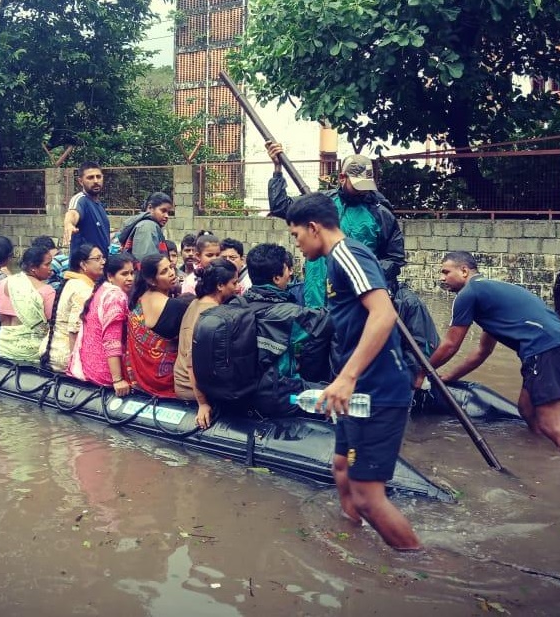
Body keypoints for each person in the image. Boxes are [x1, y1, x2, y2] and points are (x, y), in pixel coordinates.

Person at [286, 192, 420, 551]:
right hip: (355, 389)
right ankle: (354, 541)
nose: (296, 246)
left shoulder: (349, 253)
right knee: (342, 469)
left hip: (378, 389)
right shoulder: (332, 261)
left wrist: (347, 377)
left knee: (367, 496)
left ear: (313, 228)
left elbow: (384, 313)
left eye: (296, 235)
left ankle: (423, 564)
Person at [420, 251, 560, 455]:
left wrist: (422, 373)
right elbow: (482, 352)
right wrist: (448, 377)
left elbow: (450, 345)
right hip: (556, 346)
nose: (441, 278)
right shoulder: (489, 293)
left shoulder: (468, 294)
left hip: (544, 349)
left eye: (446, 272)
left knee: (552, 425)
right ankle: (542, 454)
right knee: (526, 410)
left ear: (464, 271)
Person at [266, 143, 405, 307]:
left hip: (355, 302)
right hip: (316, 298)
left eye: (366, 184)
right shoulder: (322, 203)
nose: (363, 190)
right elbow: (280, 207)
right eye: (357, 185)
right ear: (342, 178)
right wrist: (277, 170)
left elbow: (395, 259)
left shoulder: (381, 214)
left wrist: (366, 273)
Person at [243, 243, 334, 415]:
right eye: (287, 269)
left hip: (249, 389)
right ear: (277, 277)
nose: (290, 273)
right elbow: (330, 322)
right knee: (339, 399)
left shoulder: (239, 303)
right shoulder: (288, 315)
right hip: (280, 393)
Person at [174, 259, 241, 428]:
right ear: (220, 286)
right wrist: (203, 403)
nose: (238, 287)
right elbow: (191, 364)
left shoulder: (197, 302)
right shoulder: (208, 314)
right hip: (191, 388)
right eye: (234, 283)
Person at [69, 252, 138, 396]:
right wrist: (118, 380)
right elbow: (111, 341)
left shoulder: (102, 289)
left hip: (88, 366)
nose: (130, 278)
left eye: (132, 273)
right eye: (124, 274)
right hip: (104, 373)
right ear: (110, 276)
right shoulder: (116, 296)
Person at [126, 252, 193, 397]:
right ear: (152, 281)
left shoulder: (139, 299)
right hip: (166, 380)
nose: (171, 273)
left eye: (171, 267)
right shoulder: (175, 306)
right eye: (164, 271)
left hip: (141, 377)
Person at [43, 244, 106, 373]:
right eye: (97, 259)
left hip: (53, 348)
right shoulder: (82, 288)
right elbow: (74, 329)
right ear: (83, 265)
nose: (103, 262)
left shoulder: (73, 282)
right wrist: (77, 366)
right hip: (65, 354)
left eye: (103, 258)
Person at [63, 162, 110, 264]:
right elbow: (73, 213)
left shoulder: (99, 205)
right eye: (90, 178)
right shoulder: (80, 200)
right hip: (84, 270)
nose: (96, 181)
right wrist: (69, 224)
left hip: (100, 268)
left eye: (98, 176)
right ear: (80, 181)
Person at [116, 191, 173, 261]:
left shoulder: (151, 225)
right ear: (150, 208)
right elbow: (147, 262)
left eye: (168, 212)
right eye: (163, 211)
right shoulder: (147, 227)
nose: (167, 216)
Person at [179, 232, 222, 296]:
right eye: (209, 255)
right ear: (198, 256)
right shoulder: (191, 282)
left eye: (218, 255)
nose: (214, 259)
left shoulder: (224, 277)